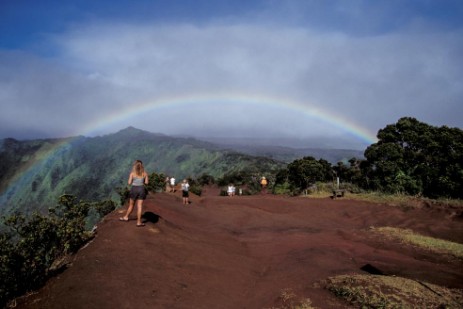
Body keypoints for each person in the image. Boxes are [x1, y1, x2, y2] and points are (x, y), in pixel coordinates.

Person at [119, 160, 149, 227]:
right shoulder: (145, 173)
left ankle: (126, 217)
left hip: (134, 189)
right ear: (142, 166)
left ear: (135, 166)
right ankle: (138, 222)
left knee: (131, 205)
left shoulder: (132, 173)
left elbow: (129, 183)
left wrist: (133, 180)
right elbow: (146, 183)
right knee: (139, 206)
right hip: (141, 189)